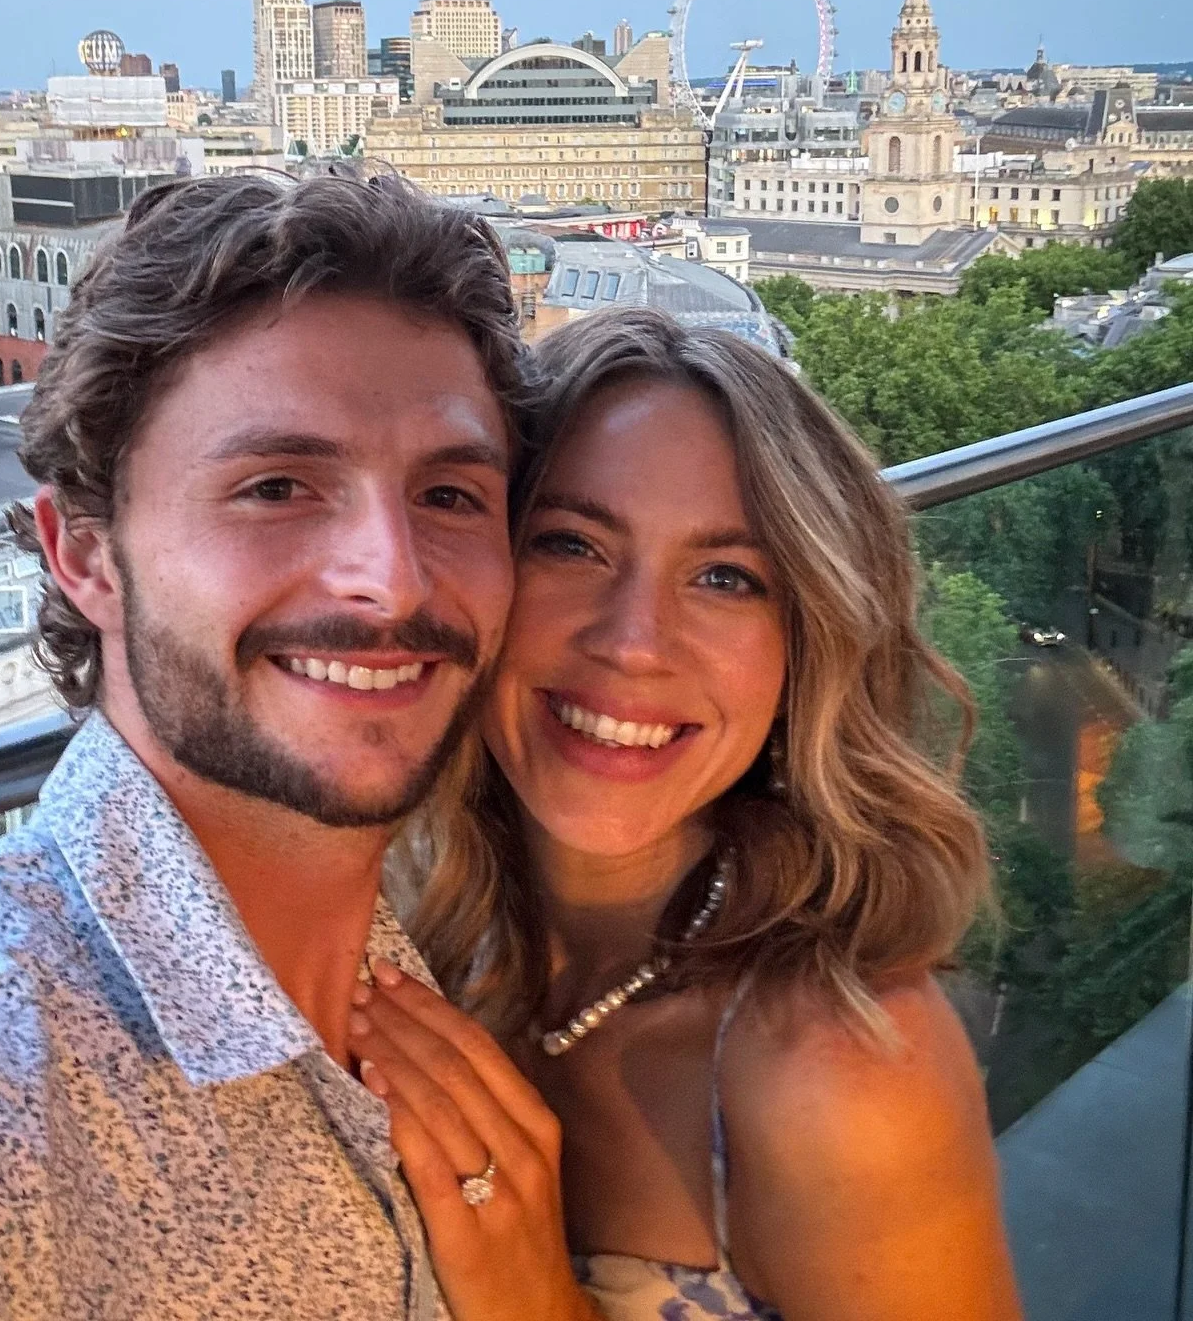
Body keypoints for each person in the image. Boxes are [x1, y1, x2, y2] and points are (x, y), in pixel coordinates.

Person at [0, 172, 536, 1321]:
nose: (393, 577)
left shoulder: (416, 953)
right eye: (276, 486)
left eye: (452, 495)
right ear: (83, 557)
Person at [359, 309, 1024, 1321]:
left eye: (726, 578)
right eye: (571, 544)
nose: (634, 643)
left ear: (809, 643)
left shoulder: (840, 1075)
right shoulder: (402, 920)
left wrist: (536, 1299)